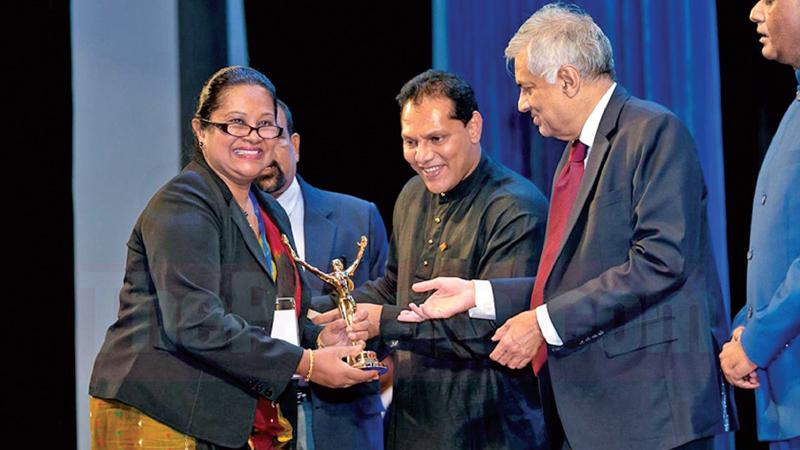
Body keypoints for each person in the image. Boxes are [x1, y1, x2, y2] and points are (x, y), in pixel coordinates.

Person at [407, 5, 736, 449]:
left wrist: (542, 324)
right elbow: (574, 279)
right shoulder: (575, 152)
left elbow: (660, 262)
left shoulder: (653, 131)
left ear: (567, 79)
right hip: (602, 414)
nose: (522, 103)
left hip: (652, 416)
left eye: (527, 88)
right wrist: (479, 294)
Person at [88, 66, 377, 450]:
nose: (253, 137)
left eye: (265, 125)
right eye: (236, 123)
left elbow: (272, 316)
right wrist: (305, 363)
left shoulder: (269, 213)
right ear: (201, 130)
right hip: (158, 412)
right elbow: (195, 322)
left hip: (220, 418)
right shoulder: (183, 203)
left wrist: (320, 337)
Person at [315, 69, 550, 450]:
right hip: (410, 423)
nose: (422, 156)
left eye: (436, 138)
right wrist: (339, 309)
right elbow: (395, 285)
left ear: (473, 127)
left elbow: (492, 329)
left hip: (489, 430)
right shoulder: (412, 194)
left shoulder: (516, 206)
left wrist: (382, 322)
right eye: (411, 142)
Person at [257, 100, 389, 450]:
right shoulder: (223, 227)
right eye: (253, 140)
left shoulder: (359, 218)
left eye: (274, 135)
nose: (263, 150)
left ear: (295, 145)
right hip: (257, 421)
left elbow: (387, 311)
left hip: (345, 422)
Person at [719, 1, 800, 448]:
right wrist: (746, 326)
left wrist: (756, 340)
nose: (753, 12)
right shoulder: (794, 106)